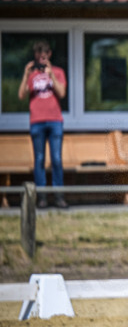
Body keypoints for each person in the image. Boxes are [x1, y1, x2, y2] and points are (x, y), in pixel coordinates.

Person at [18, 41, 68, 208]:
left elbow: (62, 93)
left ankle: (59, 197)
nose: (42, 58)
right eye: (39, 55)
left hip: (55, 121)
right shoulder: (32, 75)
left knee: (56, 159)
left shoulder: (58, 72)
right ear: (35, 56)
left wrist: (51, 74)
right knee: (39, 159)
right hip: (37, 122)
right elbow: (21, 95)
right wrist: (26, 74)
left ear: (49, 54)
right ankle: (41, 198)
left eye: (44, 55)